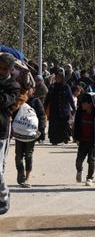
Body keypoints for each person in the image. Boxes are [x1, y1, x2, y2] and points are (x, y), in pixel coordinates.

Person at [0, 53, 21, 214]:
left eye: (4, 69)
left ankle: (3, 194)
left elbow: (5, 102)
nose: (1, 71)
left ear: (10, 69)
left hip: (1, 131)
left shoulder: (13, 86)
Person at [73, 93, 95, 186]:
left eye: (84, 103)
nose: (82, 105)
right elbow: (76, 126)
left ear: (90, 104)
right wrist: (76, 138)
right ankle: (79, 170)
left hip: (92, 141)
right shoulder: (80, 113)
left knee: (91, 160)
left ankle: (89, 178)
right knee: (79, 160)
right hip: (83, 141)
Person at [44, 68, 76, 145]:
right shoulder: (52, 87)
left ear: (62, 77)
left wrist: (74, 108)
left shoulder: (66, 87)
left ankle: (65, 138)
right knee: (54, 126)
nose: (58, 78)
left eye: (60, 77)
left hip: (64, 111)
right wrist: (44, 107)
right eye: (57, 77)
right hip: (54, 111)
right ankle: (54, 140)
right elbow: (47, 98)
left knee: (64, 126)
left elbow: (70, 99)